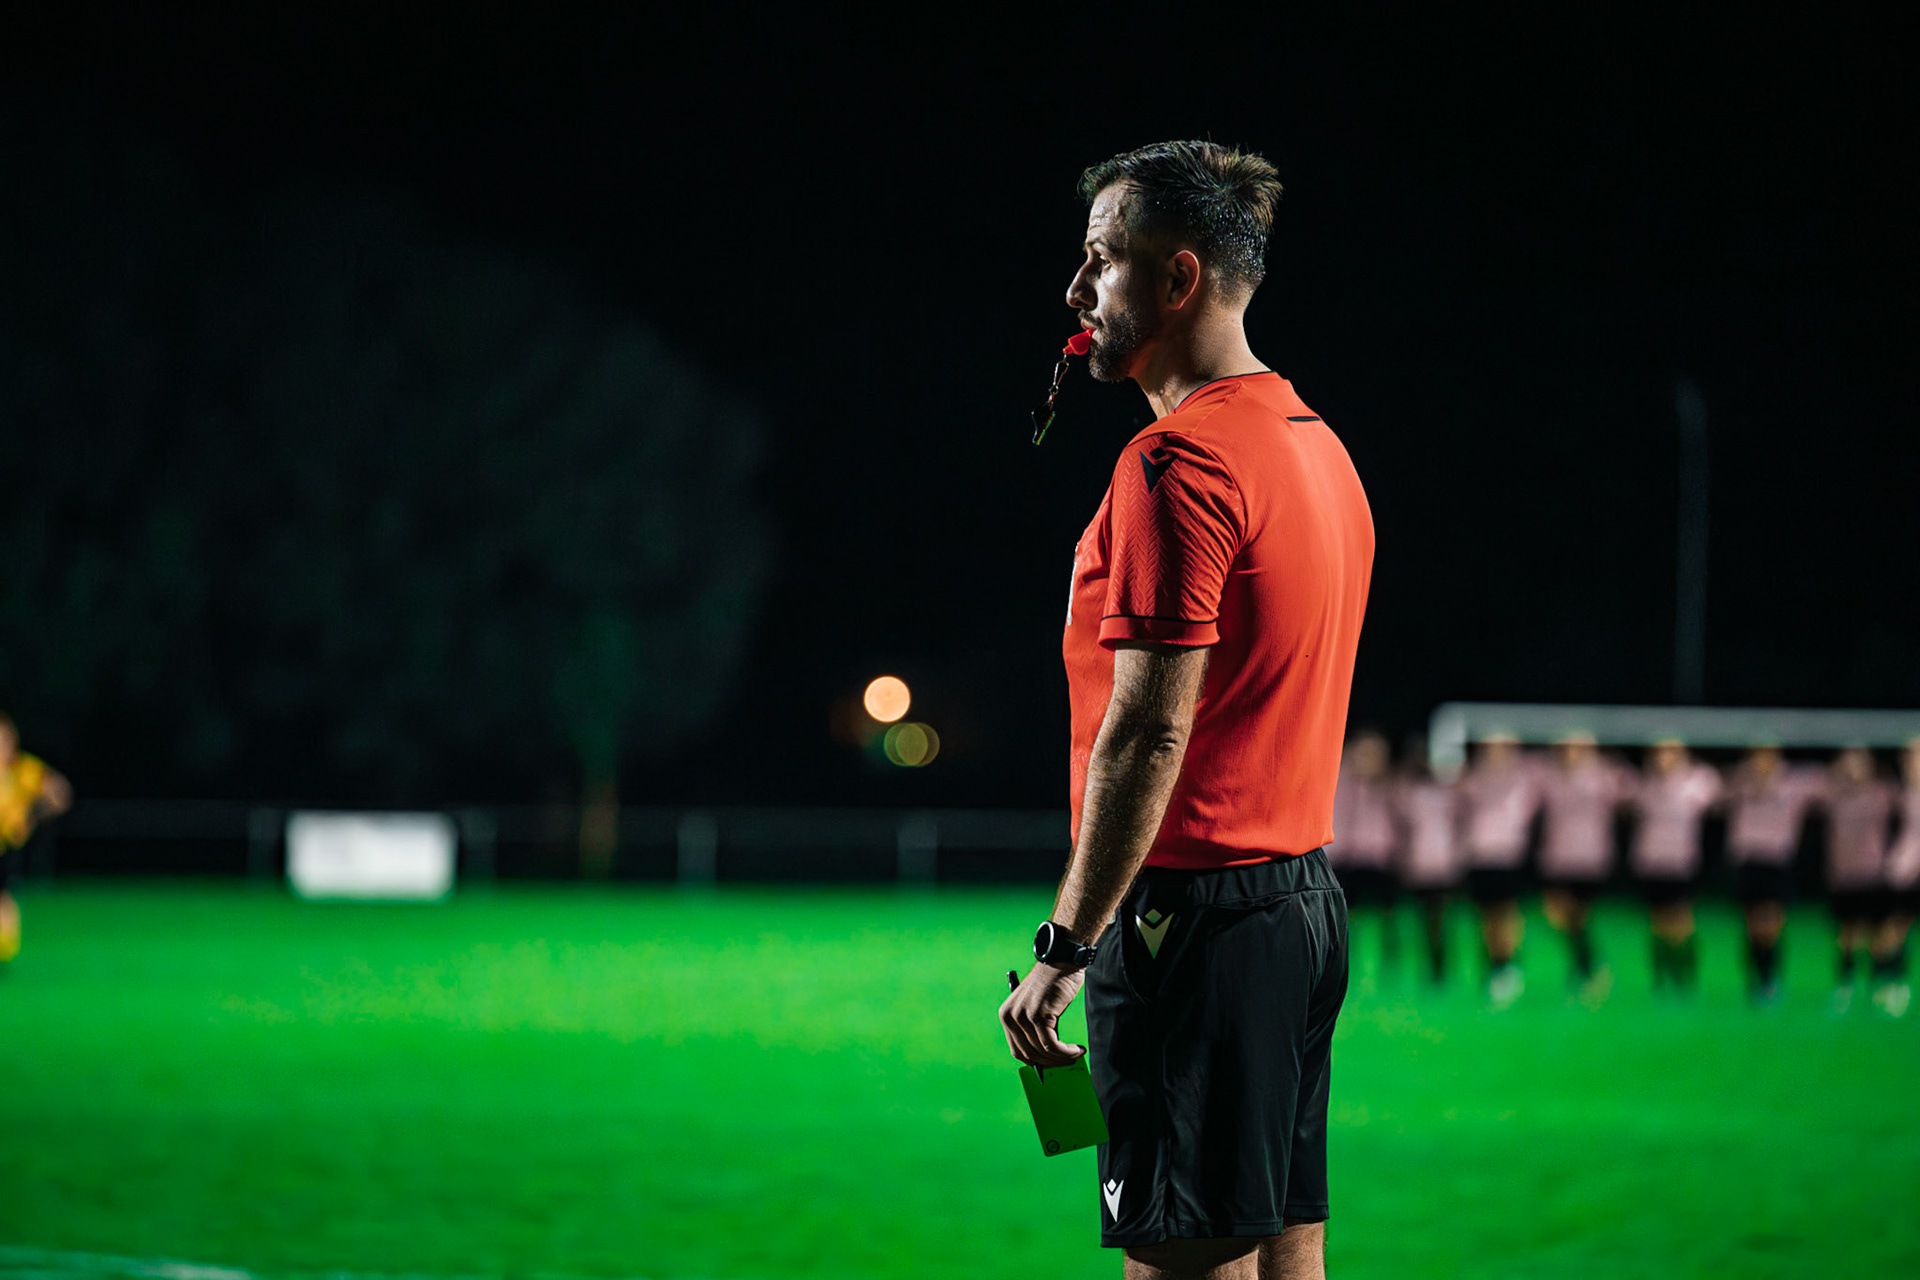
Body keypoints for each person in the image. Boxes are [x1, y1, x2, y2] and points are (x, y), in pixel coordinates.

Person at [998, 140, 1373, 1280]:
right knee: (1287, 1247)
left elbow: (1149, 729)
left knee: (1182, 1258)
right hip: (1299, 903)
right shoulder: (1317, 445)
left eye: (1102, 260)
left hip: (1193, 921)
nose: (1076, 289)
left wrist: (1068, 941)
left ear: (1180, 279)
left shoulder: (1178, 465)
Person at [1723, 743, 1825, 1002]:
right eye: (1757, 756)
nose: (1762, 762)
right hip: (1748, 860)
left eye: (1768, 756)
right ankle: (1754, 980)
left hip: (1776, 861)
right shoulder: (1740, 784)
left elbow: (1825, 783)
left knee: (1771, 925)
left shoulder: (1792, 785)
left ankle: (1770, 980)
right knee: (1751, 928)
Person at [1535, 733, 1630, 997]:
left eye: (1578, 748)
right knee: (1557, 914)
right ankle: (1589, 962)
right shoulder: (1550, 777)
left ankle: (1584, 968)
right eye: (1567, 748)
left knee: (1579, 916)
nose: (1571, 753)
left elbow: (1629, 796)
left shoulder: (1603, 776)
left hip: (1591, 855)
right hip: (1555, 855)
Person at [1627, 738, 1722, 992]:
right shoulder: (1645, 785)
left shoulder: (1696, 782)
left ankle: (1685, 972)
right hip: (1650, 859)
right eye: (1658, 753)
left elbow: (1716, 795)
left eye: (1669, 752)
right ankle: (1662, 976)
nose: (1662, 758)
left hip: (1681, 860)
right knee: (1657, 923)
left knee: (1680, 921)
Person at [1457, 733, 1542, 1006]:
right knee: (1485, 917)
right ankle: (1493, 965)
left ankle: (1508, 964)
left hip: (1507, 856)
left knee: (1505, 913)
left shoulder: (1523, 781)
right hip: (1480, 856)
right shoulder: (1473, 781)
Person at [1821, 747, 1898, 1014]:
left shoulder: (1881, 795)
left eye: (1859, 765)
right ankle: (1845, 986)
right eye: (1848, 764)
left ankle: (1881, 987)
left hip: (1872, 874)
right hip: (1844, 877)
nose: (1853, 770)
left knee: (1879, 936)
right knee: (1847, 936)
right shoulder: (1833, 796)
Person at [1328, 730, 1400, 985]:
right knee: (1348, 917)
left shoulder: (1391, 783)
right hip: (1350, 855)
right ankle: (1349, 966)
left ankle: (1391, 967)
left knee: (1388, 916)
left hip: (1381, 856)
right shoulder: (1342, 778)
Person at [0, 713, 73, 964]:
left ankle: (4, 953)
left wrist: (33, 814)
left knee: (4, 896)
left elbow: (60, 794)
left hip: (8, 843)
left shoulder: (24, 770)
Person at [1393, 737, 1462, 987]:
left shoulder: (1447, 793)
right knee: (1424, 922)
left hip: (1441, 866)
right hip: (1420, 866)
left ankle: (1440, 968)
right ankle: (1432, 969)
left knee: (1439, 921)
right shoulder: (1410, 793)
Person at [1879, 737, 1920, 1017]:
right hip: (1905, 869)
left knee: (1897, 928)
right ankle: (1893, 985)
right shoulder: (1906, 793)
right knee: (1894, 929)